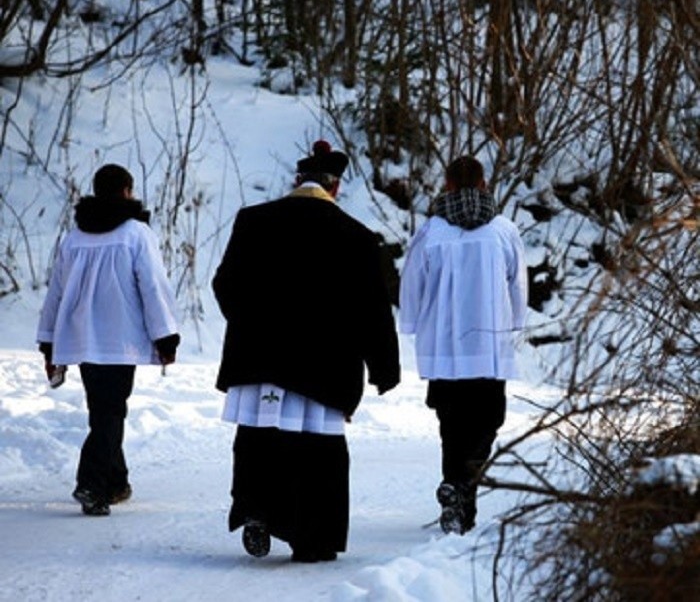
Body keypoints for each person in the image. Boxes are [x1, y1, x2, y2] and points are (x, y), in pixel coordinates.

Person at [213, 140, 400, 563]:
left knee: (259, 436)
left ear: (297, 181)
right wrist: (384, 367)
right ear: (335, 188)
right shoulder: (357, 237)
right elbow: (372, 310)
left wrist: (248, 323)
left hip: (259, 356)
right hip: (324, 364)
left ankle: (257, 509)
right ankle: (312, 538)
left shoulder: (252, 221)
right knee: (319, 453)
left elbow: (224, 284)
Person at [37, 163, 180, 517]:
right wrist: (166, 336)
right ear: (127, 192)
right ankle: (92, 485)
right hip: (120, 340)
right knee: (110, 411)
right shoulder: (135, 233)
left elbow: (55, 292)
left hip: (81, 338)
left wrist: (49, 342)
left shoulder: (74, 237)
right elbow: (152, 286)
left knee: (103, 410)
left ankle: (117, 481)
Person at [399, 155, 528, 534]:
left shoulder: (431, 232)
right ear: (484, 184)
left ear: (448, 186)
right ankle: (460, 491)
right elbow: (517, 284)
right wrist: (515, 325)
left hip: (444, 345)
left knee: (451, 424)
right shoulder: (503, 230)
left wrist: (412, 324)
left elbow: (412, 284)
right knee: (487, 422)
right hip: (488, 345)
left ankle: (455, 489)